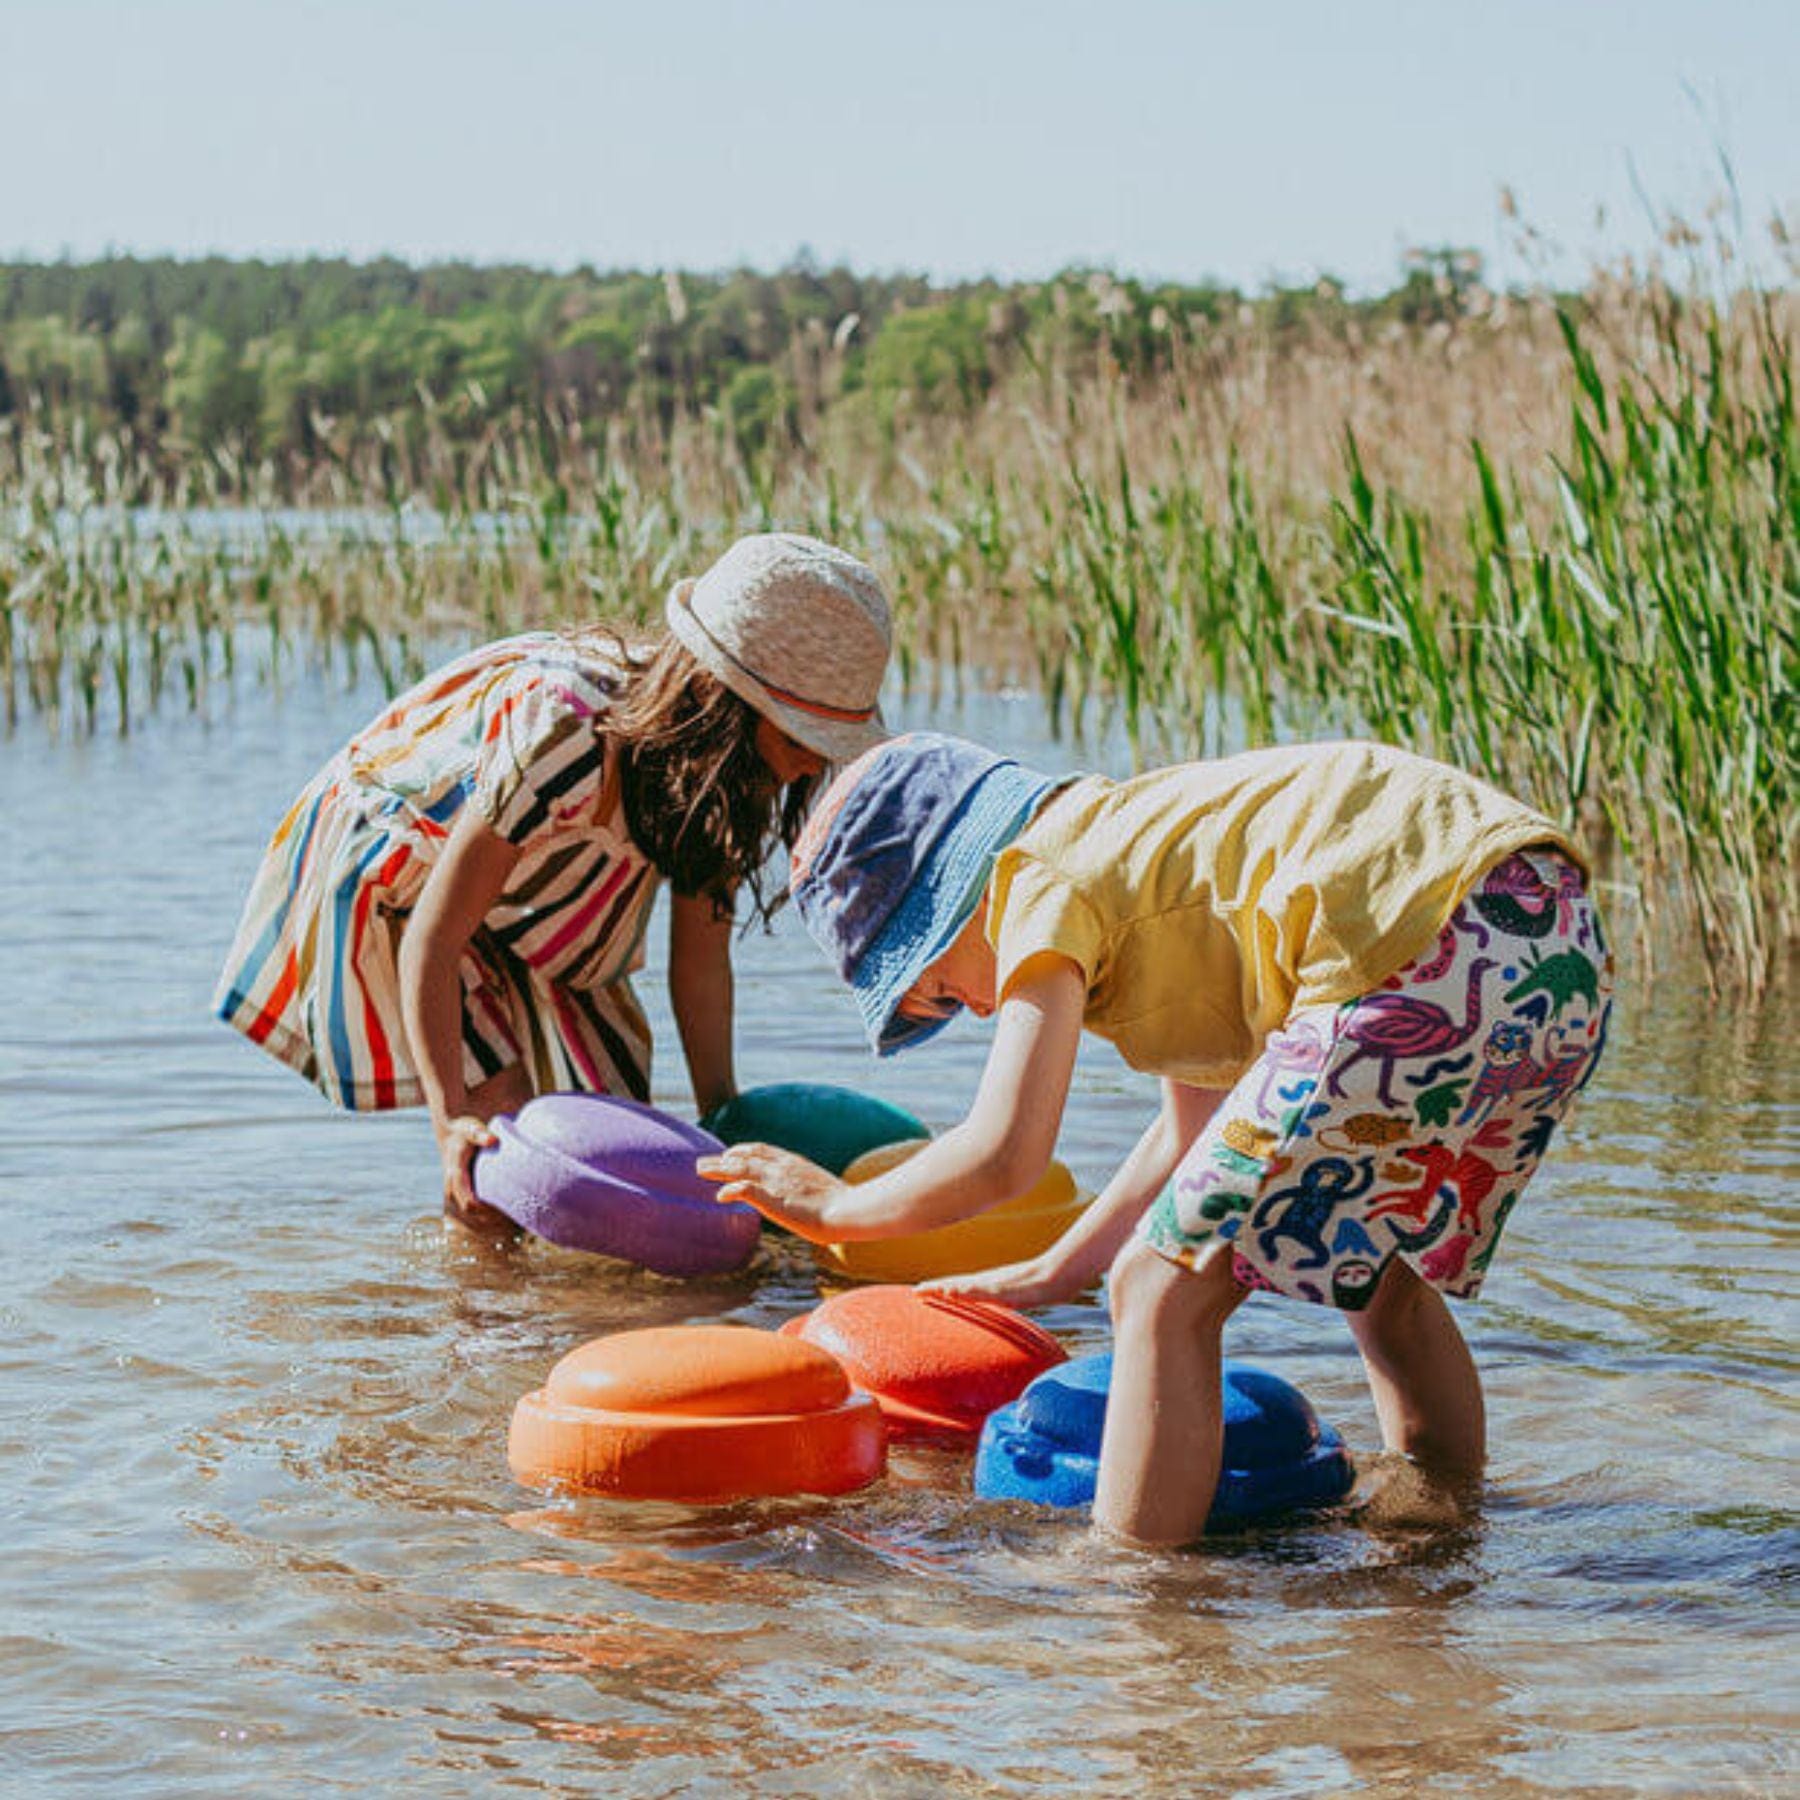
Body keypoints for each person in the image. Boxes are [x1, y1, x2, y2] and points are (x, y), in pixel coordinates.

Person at [699, 732, 1613, 1544]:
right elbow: (1193, 1140)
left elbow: (1005, 1150)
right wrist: (1053, 1270)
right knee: (1375, 1273)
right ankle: (1439, 1535)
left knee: (1159, 1292)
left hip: (1417, 948)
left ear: (951, 893)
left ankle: (1136, 1598)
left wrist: (837, 1209)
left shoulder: (1034, 879)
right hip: (1544, 939)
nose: (972, 1008)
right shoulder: (1148, 866)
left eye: (936, 989)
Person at [214, 532, 891, 1228]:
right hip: (412, 886)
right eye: (799, 741)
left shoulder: (731, 780)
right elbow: (438, 935)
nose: (814, 766)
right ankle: (479, 1318)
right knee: (503, 1150)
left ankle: (557, 1313)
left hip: (556, 918)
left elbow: (700, 963)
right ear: (725, 706)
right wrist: (452, 1124)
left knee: (621, 1163)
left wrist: (721, 1120)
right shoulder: (569, 733)